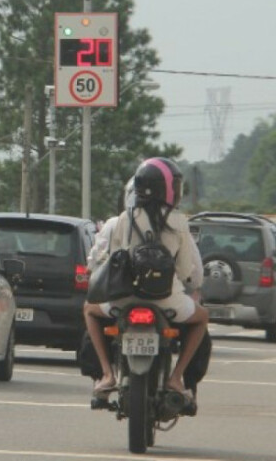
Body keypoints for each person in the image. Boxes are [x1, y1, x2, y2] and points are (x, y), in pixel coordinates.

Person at [84, 157, 209, 400]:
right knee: (202, 317)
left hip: (124, 301)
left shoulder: (123, 218)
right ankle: (176, 377)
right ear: (169, 188)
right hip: (168, 302)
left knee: (89, 309)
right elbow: (185, 271)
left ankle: (108, 374)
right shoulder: (179, 221)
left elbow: (115, 260)